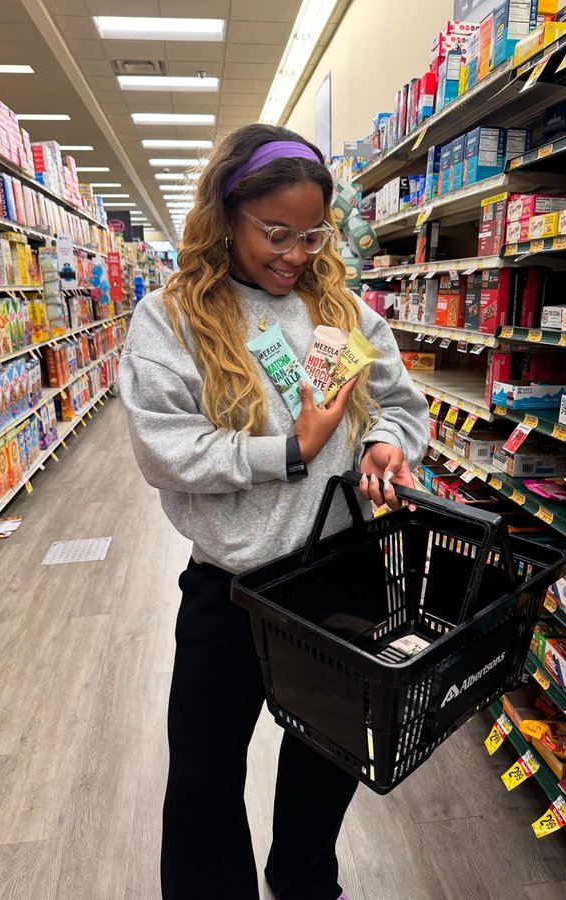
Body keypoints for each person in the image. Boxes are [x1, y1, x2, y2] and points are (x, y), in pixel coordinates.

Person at [119, 122, 429, 900]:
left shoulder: (339, 312)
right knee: (202, 781)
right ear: (227, 214)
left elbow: (399, 404)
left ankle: (305, 886)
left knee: (328, 763)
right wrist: (287, 451)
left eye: (311, 234)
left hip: (338, 581)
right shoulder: (175, 318)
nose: (296, 254)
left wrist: (388, 444)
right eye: (276, 232)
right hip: (230, 588)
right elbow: (166, 448)